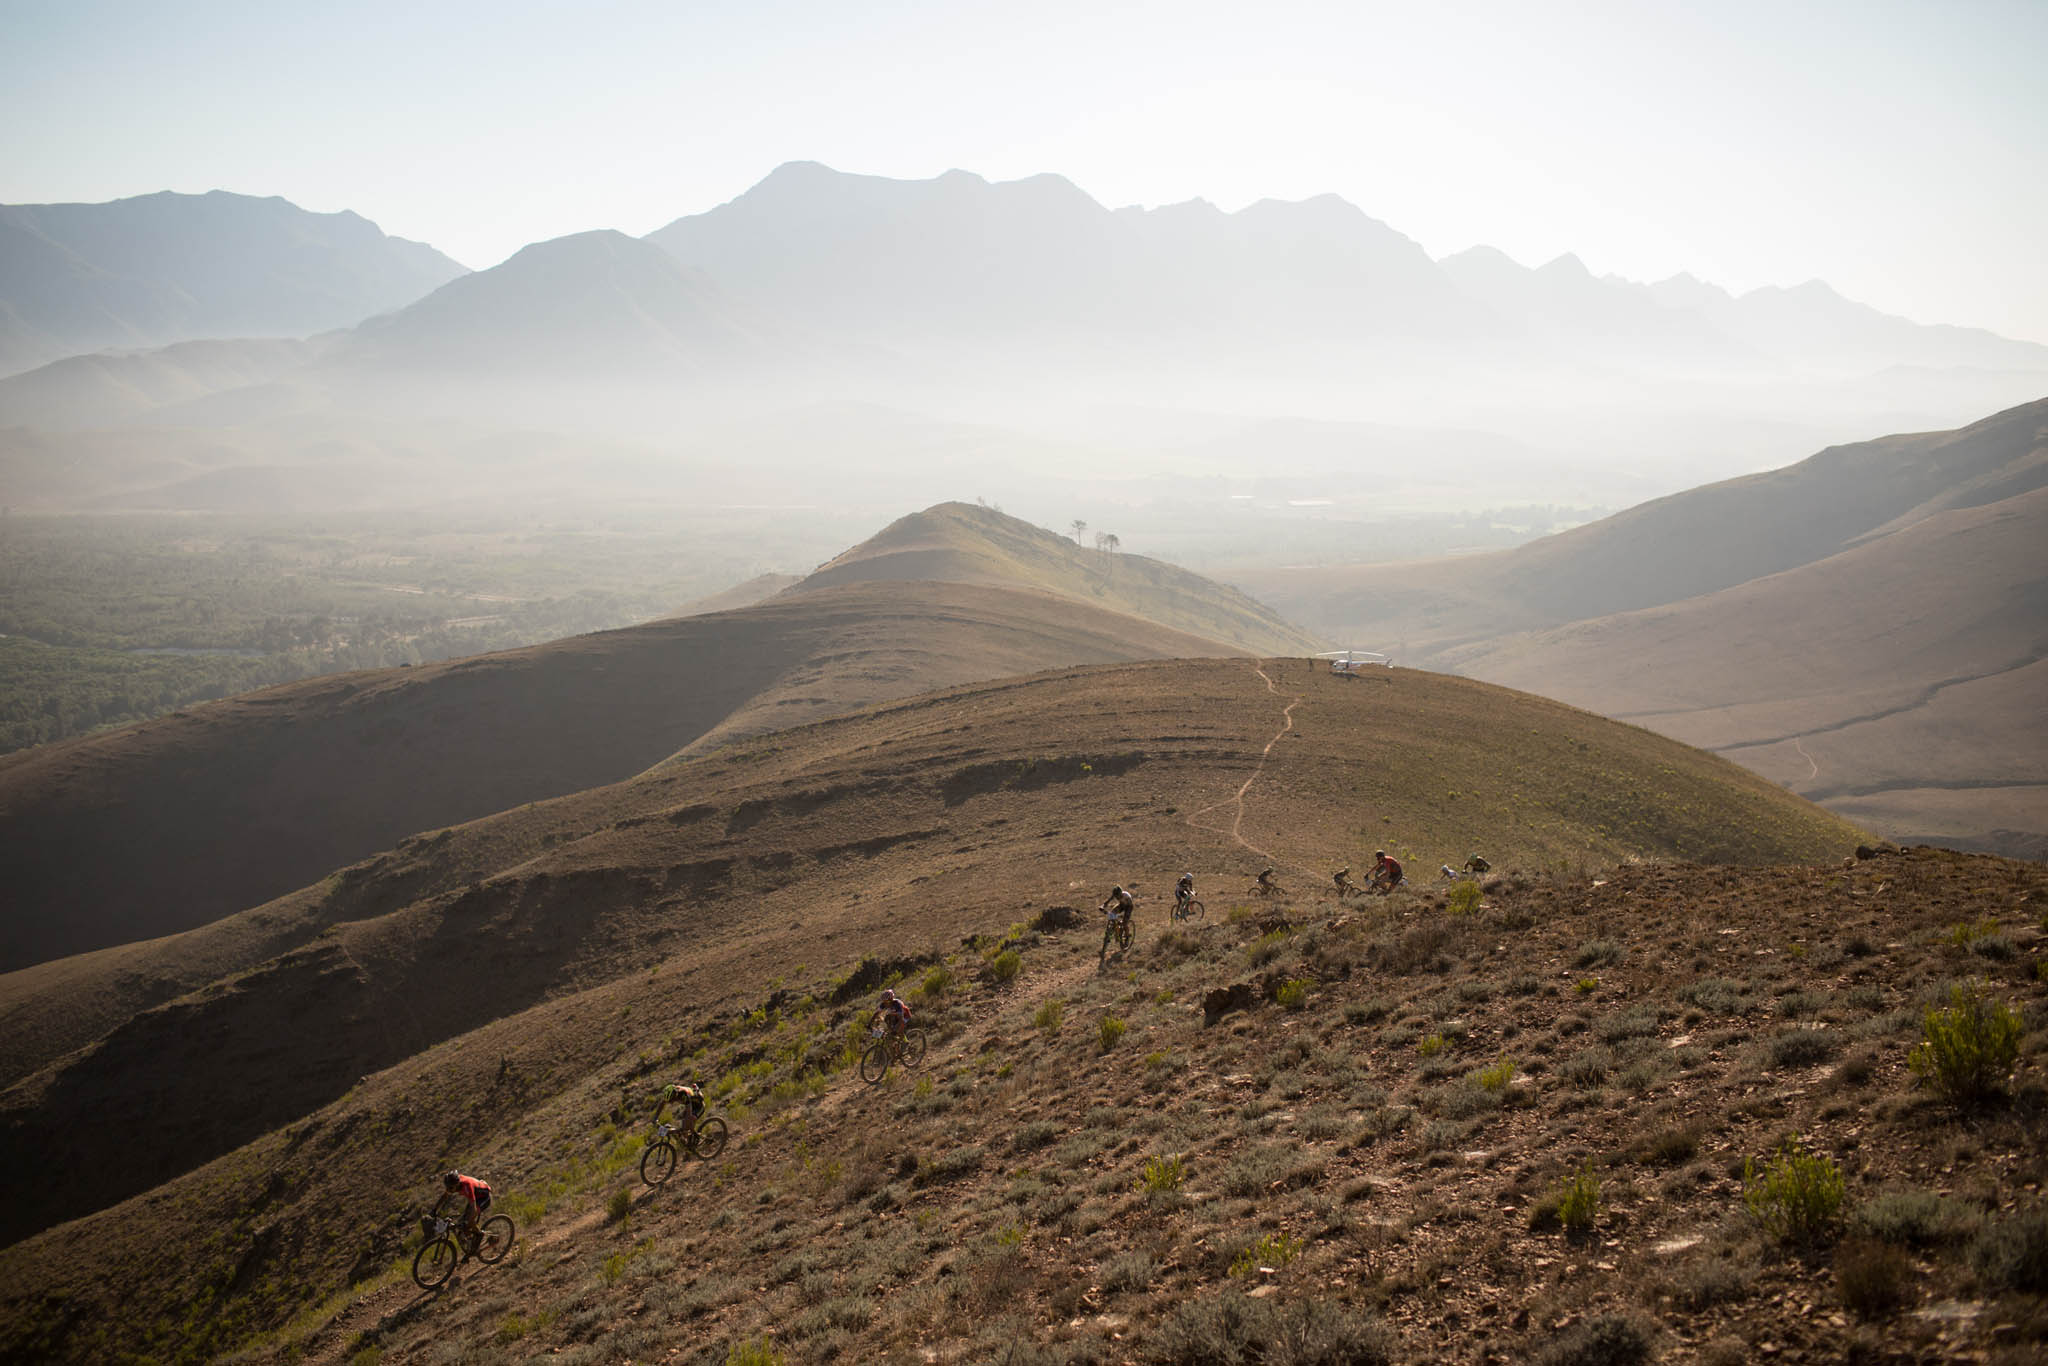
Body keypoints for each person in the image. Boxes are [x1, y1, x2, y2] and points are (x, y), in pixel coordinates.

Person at [435, 1170, 492, 1245]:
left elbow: (473, 1208)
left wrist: (469, 1221)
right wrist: (434, 1209)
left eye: (451, 1188)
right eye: (447, 1187)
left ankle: (480, 1234)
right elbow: (445, 1196)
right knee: (462, 1224)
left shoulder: (467, 1186)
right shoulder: (453, 1183)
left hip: (484, 1197)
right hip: (475, 1197)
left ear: (457, 1184)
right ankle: (472, 1245)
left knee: (469, 1221)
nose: (449, 1189)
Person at [657, 1080, 706, 1145]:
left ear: (675, 1095)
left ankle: (696, 1138)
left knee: (689, 1122)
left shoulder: (683, 1094)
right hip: (690, 1104)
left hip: (698, 1105)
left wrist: (682, 1129)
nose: (671, 1102)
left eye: (672, 1100)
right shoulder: (671, 1092)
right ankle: (688, 1141)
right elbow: (662, 1103)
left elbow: (689, 1114)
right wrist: (655, 1117)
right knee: (683, 1127)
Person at [1100, 884, 1135, 957]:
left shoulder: (1126, 896)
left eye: (1118, 896)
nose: (1117, 897)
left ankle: (1127, 937)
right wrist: (1103, 906)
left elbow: (1128, 908)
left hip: (1129, 906)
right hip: (1122, 905)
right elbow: (1108, 901)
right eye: (1116, 896)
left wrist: (1124, 918)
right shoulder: (1115, 894)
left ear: (1121, 893)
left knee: (1124, 923)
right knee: (1112, 913)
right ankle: (1110, 929)